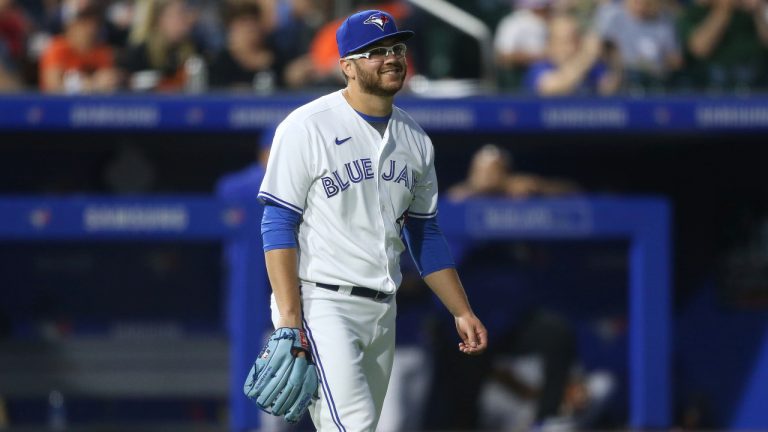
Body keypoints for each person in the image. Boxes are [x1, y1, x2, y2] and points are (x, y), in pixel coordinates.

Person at [254, 9, 488, 430]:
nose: (391, 57)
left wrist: (461, 310)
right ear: (347, 66)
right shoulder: (306, 127)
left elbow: (424, 232)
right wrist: (290, 321)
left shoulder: (415, 139)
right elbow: (277, 224)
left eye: (396, 48)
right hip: (322, 303)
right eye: (375, 52)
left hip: (383, 311)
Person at [677, 0, 768, 91]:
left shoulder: (752, 10)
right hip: (712, 83)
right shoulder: (694, 12)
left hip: (757, 80)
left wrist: (758, 11)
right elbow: (699, 48)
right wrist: (723, 10)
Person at [448, 144, 581, 201]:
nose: (486, 176)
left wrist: (538, 186)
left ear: (506, 173)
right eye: (480, 171)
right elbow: (451, 200)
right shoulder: (463, 195)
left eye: (492, 171)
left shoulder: (520, 188)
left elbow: (573, 190)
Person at [38, 3, 119, 93]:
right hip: (59, 105)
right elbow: (52, 86)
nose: (90, 29)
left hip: (93, 105)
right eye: (84, 23)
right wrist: (91, 84)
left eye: (94, 24)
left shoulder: (102, 51)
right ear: (71, 26)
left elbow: (108, 83)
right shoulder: (57, 48)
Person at [209, 1, 275, 91]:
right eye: (243, 27)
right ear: (231, 31)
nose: (249, 32)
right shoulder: (220, 62)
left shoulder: (273, 59)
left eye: (253, 27)